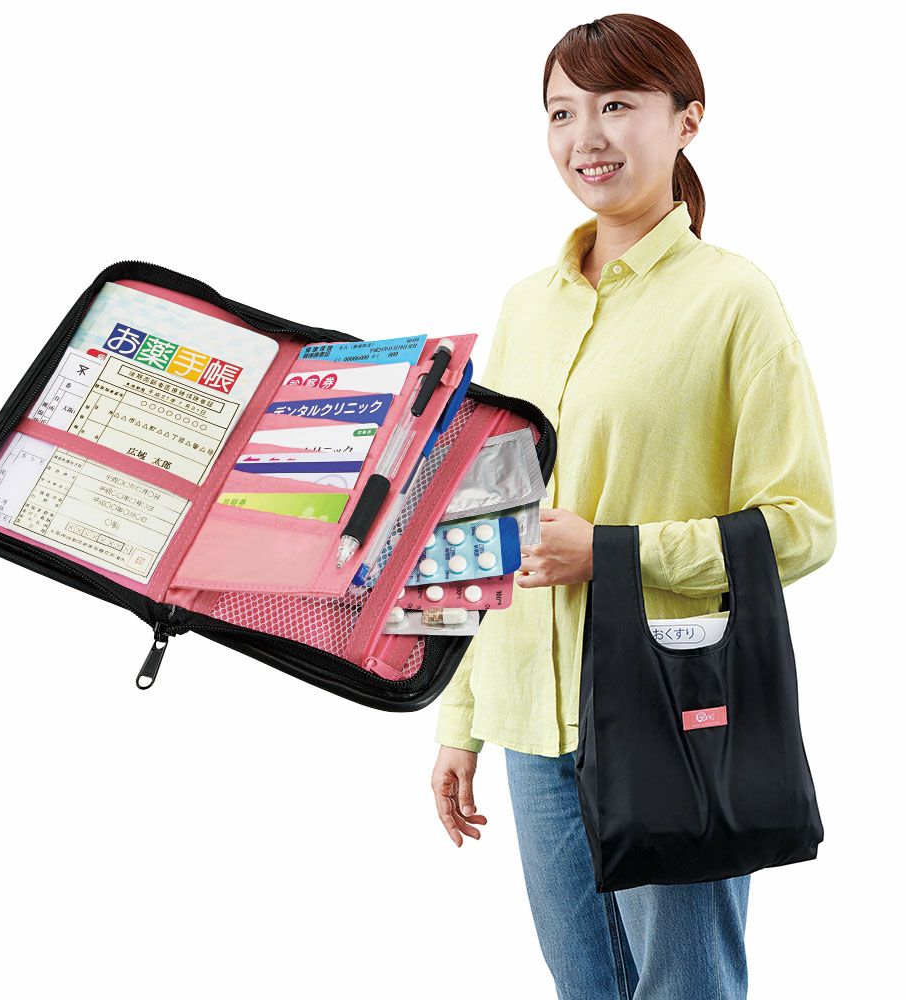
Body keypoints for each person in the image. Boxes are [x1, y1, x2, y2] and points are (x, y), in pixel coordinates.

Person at [429, 14, 836, 1000]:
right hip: (530, 716)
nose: (587, 137)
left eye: (616, 104)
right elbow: (485, 520)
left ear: (686, 120)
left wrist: (613, 552)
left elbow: (802, 524)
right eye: (561, 112)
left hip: (669, 710)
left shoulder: (734, 300)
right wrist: (461, 716)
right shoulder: (526, 305)